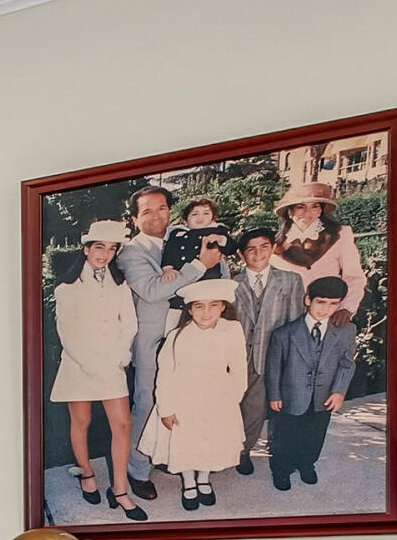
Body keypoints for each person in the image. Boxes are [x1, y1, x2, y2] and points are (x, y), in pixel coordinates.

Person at [49, 221, 148, 520]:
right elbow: (67, 333)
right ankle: (87, 474)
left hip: (111, 364)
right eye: (99, 247)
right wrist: (90, 364)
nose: (105, 254)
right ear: (86, 249)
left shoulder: (120, 285)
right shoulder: (67, 288)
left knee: (123, 424)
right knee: (82, 421)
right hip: (79, 365)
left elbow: (129, 324)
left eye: (112, 248)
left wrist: (118, 357)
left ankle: (120, 490)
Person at [115, 186, 194, 498]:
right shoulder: (131, 252)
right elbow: (152, 291)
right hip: (152, 340)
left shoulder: (182, 238)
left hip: (187, 335)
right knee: (147, 404)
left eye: (162, 208)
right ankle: (136, 470)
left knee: (180, 401)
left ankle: (164, 456)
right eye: (146, 211)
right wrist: (198, 267)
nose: (156, 216)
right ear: (135, 219)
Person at [142, 287, 251, 511]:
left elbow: (239, 367)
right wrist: (166, 409)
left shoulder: (232, 330)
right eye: (199, 306)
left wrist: (234, 398)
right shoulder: (177, 336)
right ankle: (189, 481)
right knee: (186, 442)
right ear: (190, 310)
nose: (206, 312)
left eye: (213, 305)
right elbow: (165, 375)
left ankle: (203, 478)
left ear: (222, 307)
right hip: (184, 398)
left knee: (210, 440)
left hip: (218, 396)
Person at [265, 276, 358, 490]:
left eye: (333, 304)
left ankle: (307, 464)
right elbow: (274, 367)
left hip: (323, 396)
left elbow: (347, 364)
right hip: (291, 395)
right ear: (308, 300)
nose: (326, 309)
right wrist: (275, 395)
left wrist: (339, 391)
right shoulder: (285, 333)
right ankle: (281, 469)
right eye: (321, 302)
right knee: (285, 435)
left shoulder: (345, 331)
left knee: (315, 434)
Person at [229, 229, 306, 474]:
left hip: (270, 356)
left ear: (273, 248)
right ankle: (224, 447)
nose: (258, 253)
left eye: (264, 247)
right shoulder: (232, 283)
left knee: (254, 409)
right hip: (235, 357)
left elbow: (295, 321)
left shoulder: (291, 280)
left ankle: (242, 452)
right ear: (241, 254)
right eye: (251, 249)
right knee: (229, 406)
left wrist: (289, 360)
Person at [273, 178, 366, 320]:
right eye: (300, 207)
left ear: (320, 210)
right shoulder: (275, 245)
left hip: (327, 314)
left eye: (314, 206)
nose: (307, 212)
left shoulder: (339, 235)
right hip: (287, 317)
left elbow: (354, 277)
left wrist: (346, 308)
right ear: (290, 212)